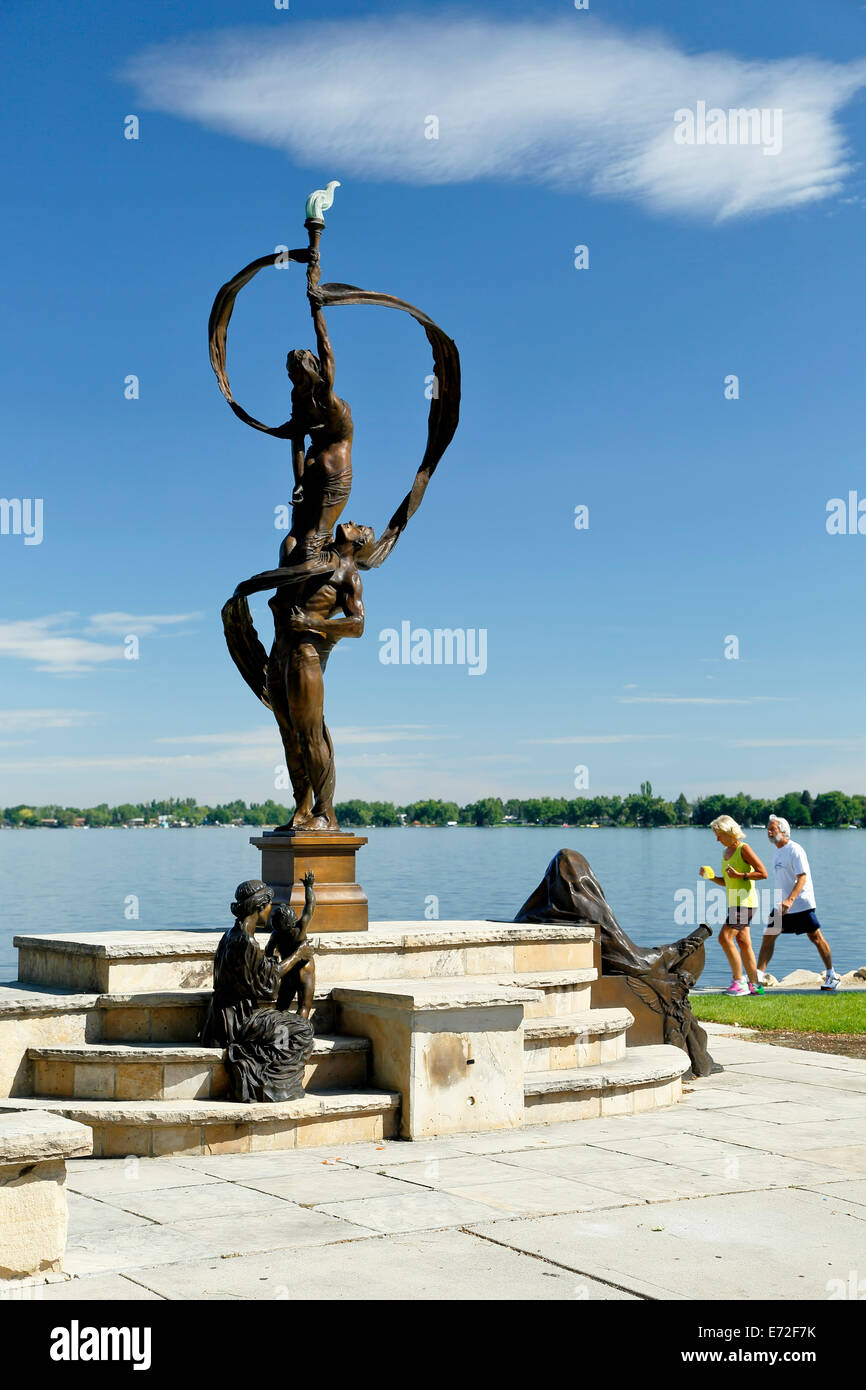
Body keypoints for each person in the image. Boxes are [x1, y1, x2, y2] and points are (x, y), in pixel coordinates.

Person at [200, 879, 316, 1101]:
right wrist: (298, 956)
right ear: (259, 907)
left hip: (221, 1017)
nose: (271, 911)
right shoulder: (247, 943)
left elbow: (258, 972)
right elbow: (264, 983)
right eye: (269, 905)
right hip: (237, 1021)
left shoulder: (231, 935)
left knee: (286, 1024)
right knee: (302, 1028)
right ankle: (272, 1081)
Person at [757, 816, 841, 991]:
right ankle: (757, 978)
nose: (769, 832)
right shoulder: (777, 851)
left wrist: (791, 899)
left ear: (784, 831)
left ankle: (831, 974)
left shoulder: (795, 850)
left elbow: (802, 877)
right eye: (768, 829)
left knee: (815, 937)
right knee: (768, 937)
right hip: (781, 906)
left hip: (800, 904)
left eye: (772, 829)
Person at [702, 815, 768, 995]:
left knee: (725, 938)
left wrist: (741, 875)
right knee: (744, 942)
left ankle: (739, 982)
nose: (717, 839)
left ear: (729, 832)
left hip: (745, 903)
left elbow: (763, 873)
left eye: (719, 834)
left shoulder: (743, 849)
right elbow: (728, 881)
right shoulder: (726, 853)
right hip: (734, 903)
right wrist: (712, 877)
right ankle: (755, 986)